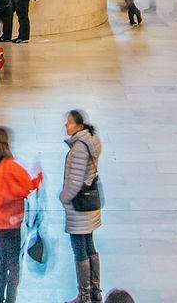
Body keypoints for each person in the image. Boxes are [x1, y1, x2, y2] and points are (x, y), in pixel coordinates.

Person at [0, 126, 43, 303]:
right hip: (12, 221)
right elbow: (27, 186)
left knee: (1, 259)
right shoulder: (9, 165)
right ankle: (10, 300)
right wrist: (38, 176)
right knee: (13, 264)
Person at [59, 109, 103, 303]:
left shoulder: (79, 148)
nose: (65, 126)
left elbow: (75, 183)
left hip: (79, 208)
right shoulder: (91, 142)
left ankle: (84, 295)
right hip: (91, 204)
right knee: (89, 246)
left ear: (79, 126)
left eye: (69, 123)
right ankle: (95, 291)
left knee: (79, 250)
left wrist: (63, 197)